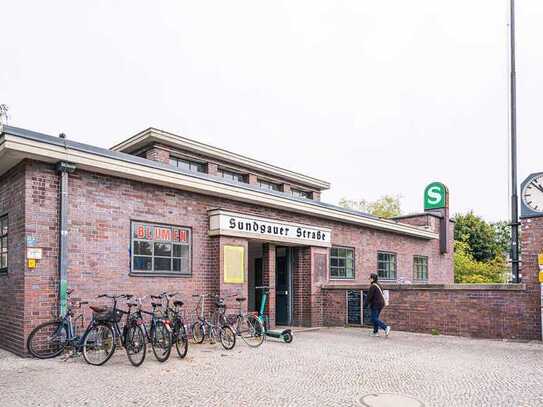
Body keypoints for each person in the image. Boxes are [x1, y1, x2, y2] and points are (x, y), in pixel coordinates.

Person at [366, 273, 391, 337]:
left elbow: (369, 297)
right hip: (381, 304)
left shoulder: (373, 286)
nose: (369, 280)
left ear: (372, 279)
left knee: (373, 318)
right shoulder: (379, 285)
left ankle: (385, 327)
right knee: (376, 318)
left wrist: (365, 305)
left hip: (376, 304)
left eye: (370, 279)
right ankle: (375, 332)